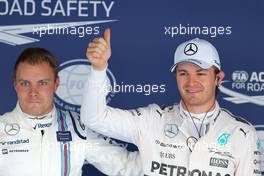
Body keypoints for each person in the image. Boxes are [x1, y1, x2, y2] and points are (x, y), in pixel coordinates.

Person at [81, 28, 261, 176]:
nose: (191, 82)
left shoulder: (241, 133)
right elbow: (94, 118)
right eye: (183, 73)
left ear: (218, 79)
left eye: (201, 73)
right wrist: (98, 69)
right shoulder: (152, 119)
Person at [0, 47, 143, 176]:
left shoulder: (76, 127)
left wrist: (164, 152)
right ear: (15, 85)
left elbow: (126, 166)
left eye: (42, 83)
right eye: (25, 83)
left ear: (56, 84)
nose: (33, 92)